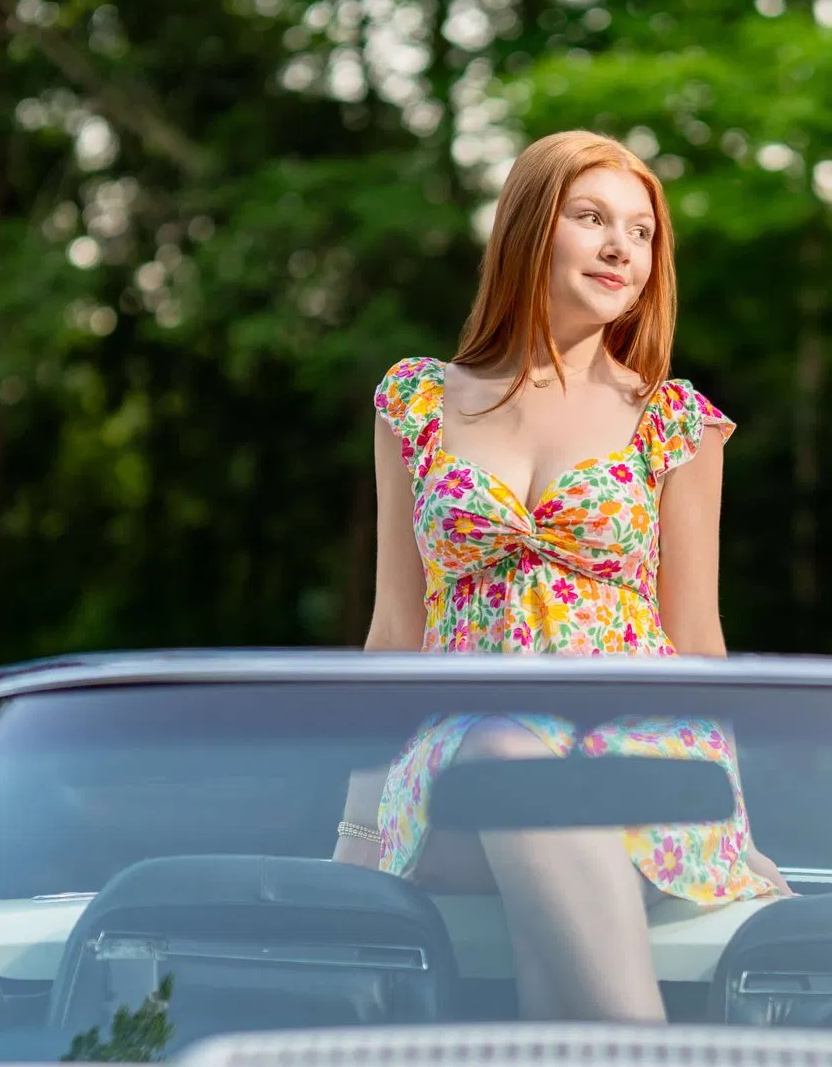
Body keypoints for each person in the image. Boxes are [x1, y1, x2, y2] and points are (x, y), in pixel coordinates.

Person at [333, 129, 785, 1021]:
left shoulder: (672, 421)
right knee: (507, 744)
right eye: (591, 218)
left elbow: (696, 639)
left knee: (546, 878)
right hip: (463, 757)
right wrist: (354, 828)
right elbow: (395, 631)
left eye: (643, 231)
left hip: (640, 754)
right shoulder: (417, 402)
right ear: (532, 229)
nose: (624, 247)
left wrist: (739, 828)